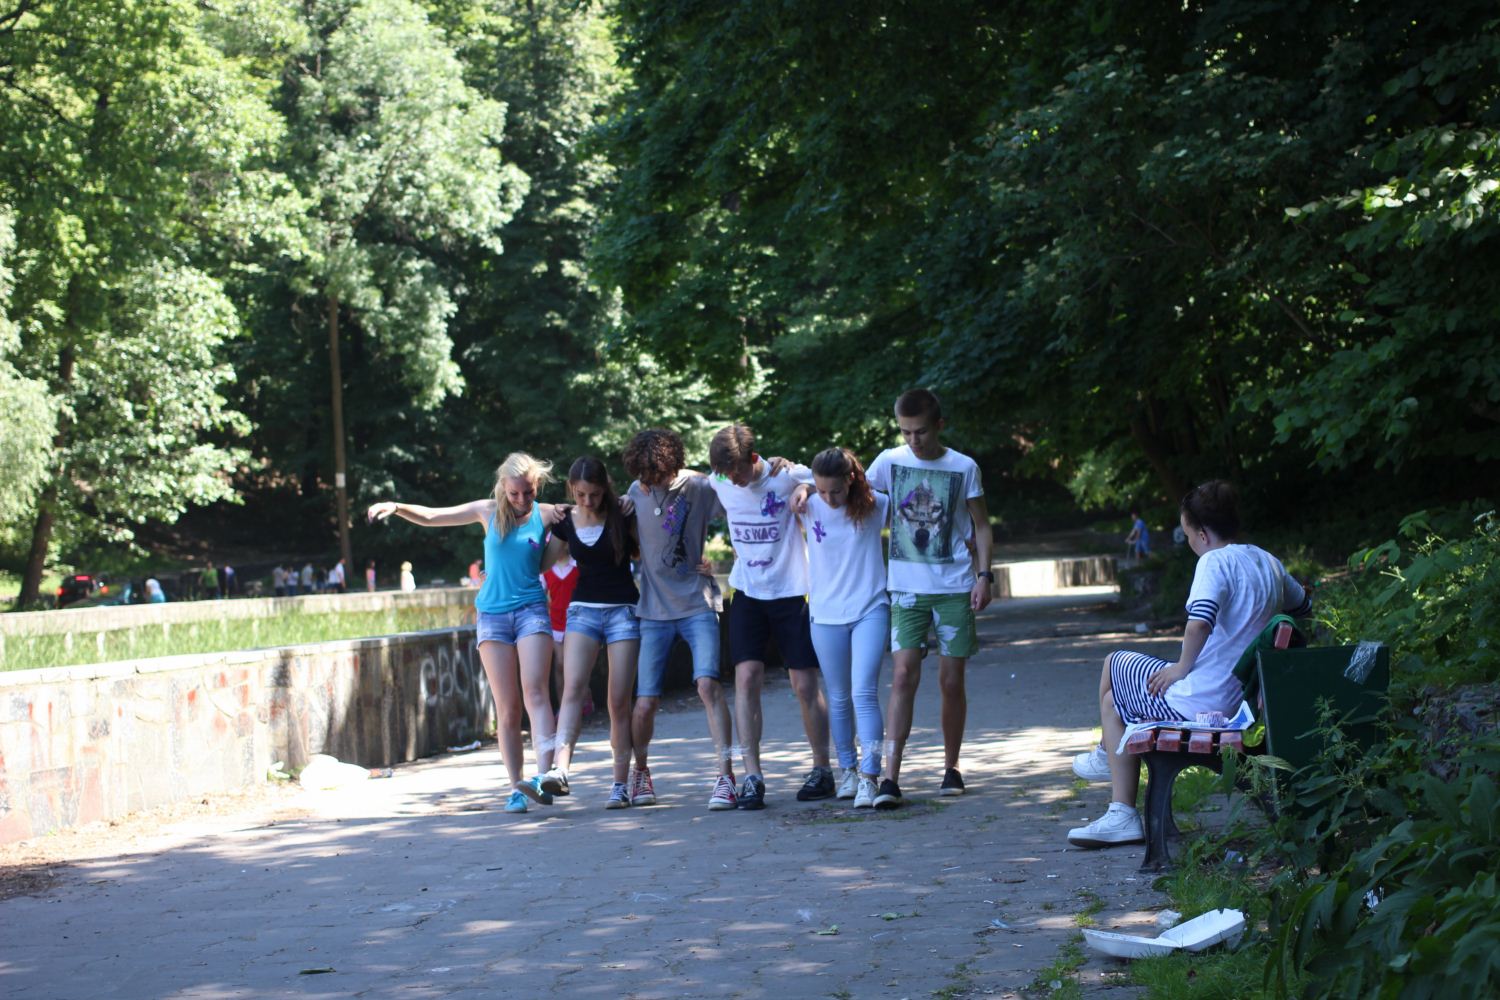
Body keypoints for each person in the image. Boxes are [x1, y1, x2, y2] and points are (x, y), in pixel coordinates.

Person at [1067, 480, 1312, 848]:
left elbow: (1200, 622)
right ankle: (1118, 802)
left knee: (1114, 662)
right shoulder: (1268, 562)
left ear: (1202, 534)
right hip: (1240, 701)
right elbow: (1303, 605)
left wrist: (1181, 668)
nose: (1190, 545)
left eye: (1187, 536)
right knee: (1113, 703)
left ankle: (1108, 765)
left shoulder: (1215, 561)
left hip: (1204, 704)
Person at [368, 452, 568, 814]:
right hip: (492, 616)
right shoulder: (487, 511)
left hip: (531, 612)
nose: (521, 500)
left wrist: (629, 501)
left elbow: (592, 507)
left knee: (536, 693)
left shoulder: (548, 513)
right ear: (503, 487)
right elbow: (433, 516)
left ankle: (543, 777)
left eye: (528, 492)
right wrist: (395, 506)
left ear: (537, 485)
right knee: (507, 708)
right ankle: (516, 788)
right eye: (514, 493)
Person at [865, 388, 994, 808]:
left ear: (938, 425)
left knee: (950, 681)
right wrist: (799, 481)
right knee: (903, 675)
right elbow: (849, 493)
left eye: (920, 431)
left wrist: (984, 576)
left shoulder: (964, 467)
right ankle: (890, 777)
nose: (913, 440)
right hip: (906, 588)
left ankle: (951, 767)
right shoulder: (889, 462)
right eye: (905, 432)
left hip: (954, 587)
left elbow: (982, 525)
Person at [705, 424, 832, 810]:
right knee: (746, 678)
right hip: (747, 592)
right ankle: (753, 776)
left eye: (738, 471)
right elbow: (685, 480)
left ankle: (822, 769)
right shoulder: (720, 480)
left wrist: (805, 487)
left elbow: (834, 476)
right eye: (726, 473)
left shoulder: (784, 475)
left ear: (753, 458)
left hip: (791, 592)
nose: (733, 480)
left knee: (804, 684)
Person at [623, 428, 737, 810]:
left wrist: (774, 468)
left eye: (654, 475)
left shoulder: (699, 487)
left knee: (707, 685)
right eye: (643, 476)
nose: (648, 482)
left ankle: (726, 776)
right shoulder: (635, 492)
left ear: (671, 466)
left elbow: (742, 500)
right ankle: (640, 773)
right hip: (653, 611)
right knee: (644, 703)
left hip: (697, 603)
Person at [546, 457, 641, 808]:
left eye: (595, 494)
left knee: (618, 700)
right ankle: (560, 771)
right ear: (572, 490)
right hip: (582, 612)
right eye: (581, 495)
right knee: (572, 689)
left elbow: (649, 554)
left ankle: (619, 784)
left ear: (606, 489)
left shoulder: (622, 513)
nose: (588, 501)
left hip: (623, 612)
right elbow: (540, 563)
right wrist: (543, 515)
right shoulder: (564, 521)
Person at [801, 447, 890, 808]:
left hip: (870, 607)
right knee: (838, 696)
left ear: (851, 480)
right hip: (825, 614)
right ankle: (848, 771)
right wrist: (803, 487)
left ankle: (870, 776)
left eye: (835, 491)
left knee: (863, 693)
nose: (829, 498)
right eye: (821, 490)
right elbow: (776, 476)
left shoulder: (876, 505)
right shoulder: (807, 503)